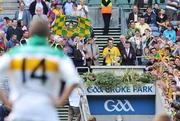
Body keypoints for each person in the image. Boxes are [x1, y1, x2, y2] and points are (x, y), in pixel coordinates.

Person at [0, 18, 80, 121]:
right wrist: (59, 101)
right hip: (46, 112)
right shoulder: (58, 55)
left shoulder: (15, 53)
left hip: (21, 110)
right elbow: (74, 80)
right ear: (47, 34)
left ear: (30, 33)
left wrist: (6, 101)